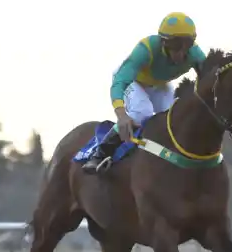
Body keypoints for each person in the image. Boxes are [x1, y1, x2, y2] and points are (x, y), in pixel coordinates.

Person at [82, 13, 207, 174]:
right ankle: (101, 153)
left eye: (187, 45)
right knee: (142, 111)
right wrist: (121, 115)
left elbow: (210, 79)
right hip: (132, 82)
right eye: (176, 45)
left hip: (159, 84)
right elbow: (120, 81)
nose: (182, 52)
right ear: (163, 42)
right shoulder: (146, 49)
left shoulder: (195, 54)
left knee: (174, 117)